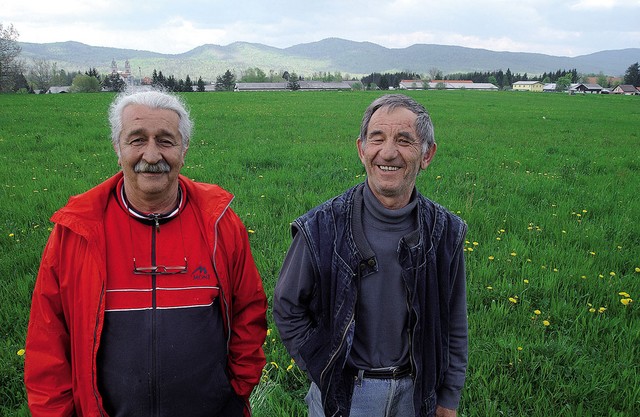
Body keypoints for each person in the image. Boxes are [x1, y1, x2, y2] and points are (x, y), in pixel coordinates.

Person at [24, 88, 268, 417]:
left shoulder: (220, 223)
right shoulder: (76, 232)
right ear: (117, 148)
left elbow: (249, 311)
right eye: (137, 139)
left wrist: (237, 388)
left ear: (184, 150)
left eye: (165, 140)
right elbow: (47, 338)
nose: (151, 156)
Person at [273, 94, 468, 417]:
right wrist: (324, 368)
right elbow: (286, 306)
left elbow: (454, 321)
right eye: (377, 139)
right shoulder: (321, 227)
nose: (388, 152)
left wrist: (449, 396)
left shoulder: (445, 232)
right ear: (361, 149)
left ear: (427, 154)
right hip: (345, 395)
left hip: (416, 396)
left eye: (404, 140)